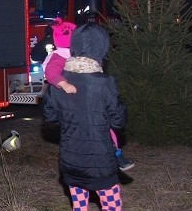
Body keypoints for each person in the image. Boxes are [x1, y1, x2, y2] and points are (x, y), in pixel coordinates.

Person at [42, 23, 127, 211]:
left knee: (80, 209)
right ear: (101, 49)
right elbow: (119, 121)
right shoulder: (104, 83)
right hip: (99, 161)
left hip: (69, 158)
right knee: (112, 210)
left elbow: (49, 117)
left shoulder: (61, 81)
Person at [43, 18, 134, 172]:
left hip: (83, 108)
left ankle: (117, 155)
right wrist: (63, 84)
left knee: (105, 133)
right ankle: (114, 158)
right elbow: (51, 73)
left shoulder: (76, 57)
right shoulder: (59, 57)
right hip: (74, 103)